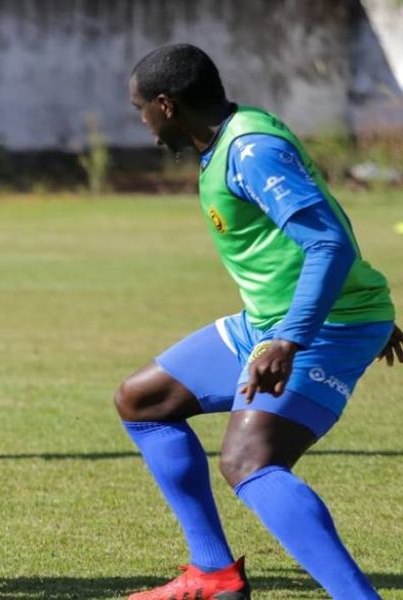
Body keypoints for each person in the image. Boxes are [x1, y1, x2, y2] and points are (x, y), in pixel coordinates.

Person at [117, 43, 403, 600]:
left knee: (250, 460)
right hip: (279, 319)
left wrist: (294, 336)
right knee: (143, 401)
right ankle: (213, 574)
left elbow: (327, 239)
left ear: (166, 104)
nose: (142, 122)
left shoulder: (251, 149)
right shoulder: (229, 138)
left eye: (140, 109)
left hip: (318, 327)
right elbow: (324, 220)